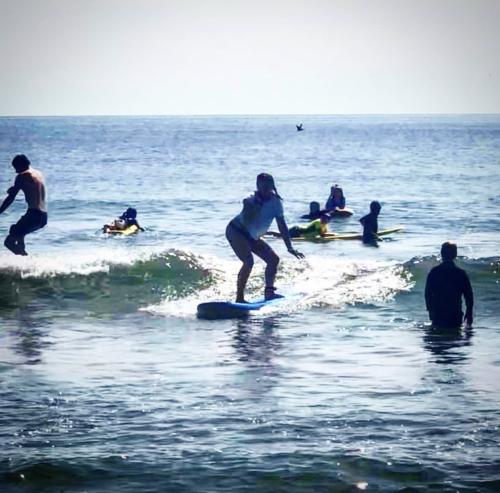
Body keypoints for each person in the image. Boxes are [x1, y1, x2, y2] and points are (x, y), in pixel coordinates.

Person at [226, 173, 304, 303]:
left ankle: (269, 293)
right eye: (263, 187)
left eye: (268, 186)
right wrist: (254, 206)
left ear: (273, 186)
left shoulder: (276, 202)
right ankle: (239, 298)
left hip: (252, 237)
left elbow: (282, 225)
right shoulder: (251, 199)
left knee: (273, 260)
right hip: (236, 232)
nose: (266, 189)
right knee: (248, 262)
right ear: (257, 186)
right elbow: (246, 203)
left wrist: (289, 247)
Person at [0, 154, 47, 255]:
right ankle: (24, 258)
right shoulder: (38, 173)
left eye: (16, 167)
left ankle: (26, 262)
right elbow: (32, 188)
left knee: (9, 242)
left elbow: (11, 198)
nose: (15, 171)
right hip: (43, 216)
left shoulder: (22, 177)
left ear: (21, 165)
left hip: (33, 215)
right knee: (16, 230)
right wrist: (15, 188)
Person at [425, 242, 474, 329]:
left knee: (437, 339)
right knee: (454, 339)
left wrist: (430, 310)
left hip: (438, 314)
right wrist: (469, 313)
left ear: (441, 254)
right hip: (455, 315)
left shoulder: (435, 272)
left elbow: (428, 293)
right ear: (455, 255)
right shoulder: (460, 273)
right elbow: (468, 296)